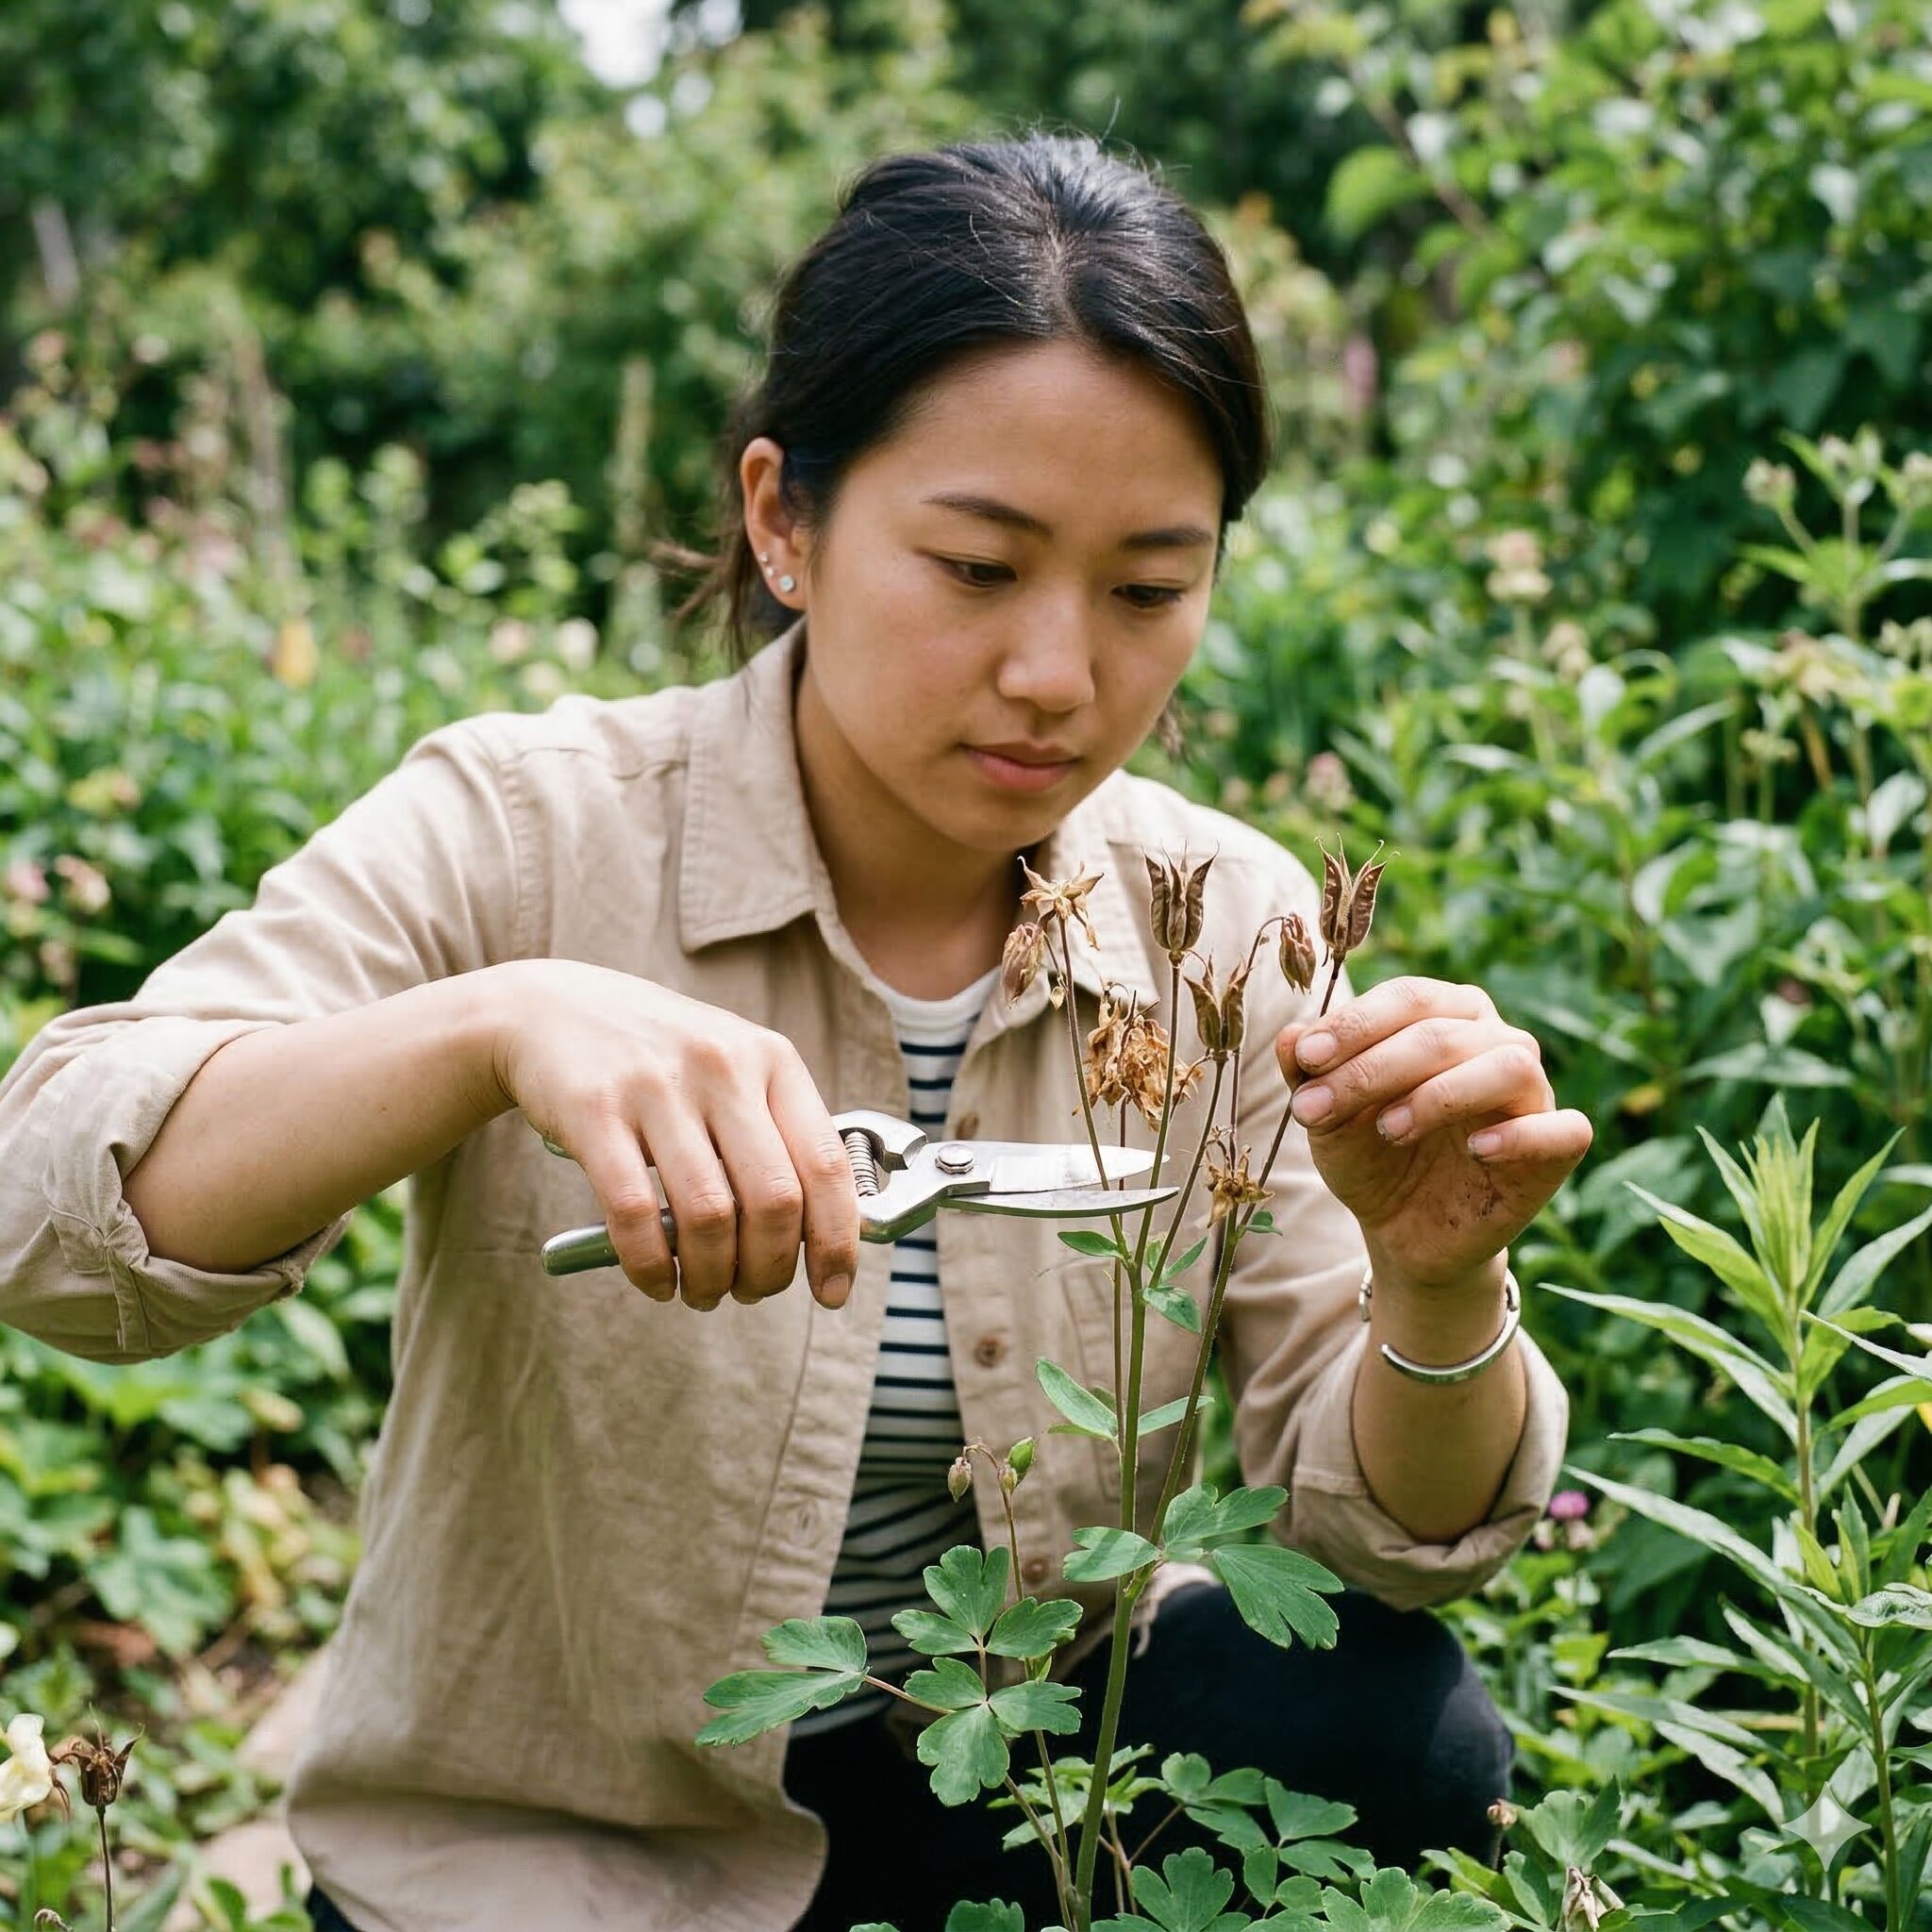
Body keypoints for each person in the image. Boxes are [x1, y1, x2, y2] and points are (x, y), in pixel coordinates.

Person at [0, 135, 1590, 1932]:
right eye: (979, 569)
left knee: (1398, 1728)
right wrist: (492, 1028)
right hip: (557, 1856)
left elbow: (1377, 1541)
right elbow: (50, 1201)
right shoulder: (531, 830)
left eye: (1150, 588)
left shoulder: (1222, 928)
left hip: (1023, 1795)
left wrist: (1439, 1286)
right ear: (784, 520)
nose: (1063, 673)